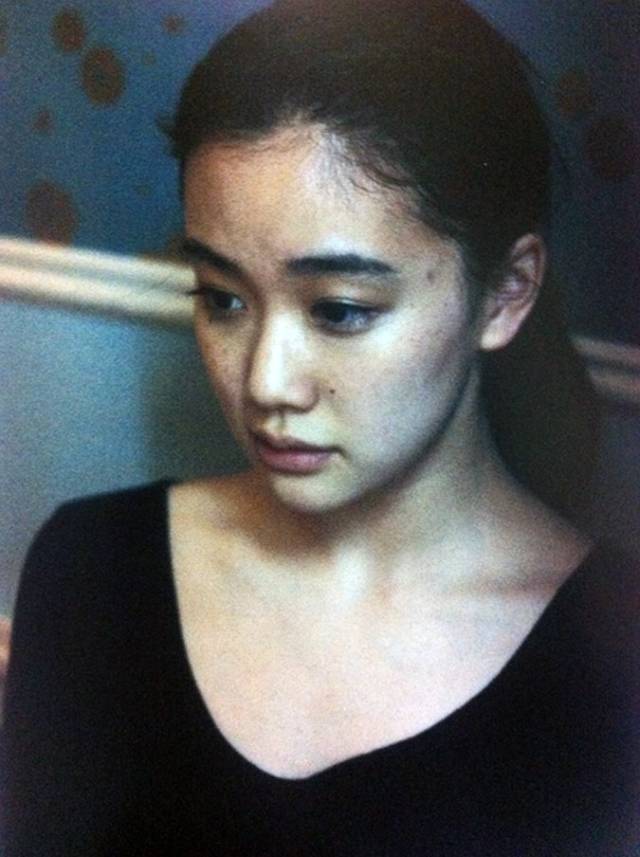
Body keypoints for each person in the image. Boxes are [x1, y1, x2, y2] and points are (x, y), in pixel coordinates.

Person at [2, 0, 637, 854]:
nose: (264, 382)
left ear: (505, 292)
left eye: (339, 309)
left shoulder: (618, 662)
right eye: (222, 298)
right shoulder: (93, 570)